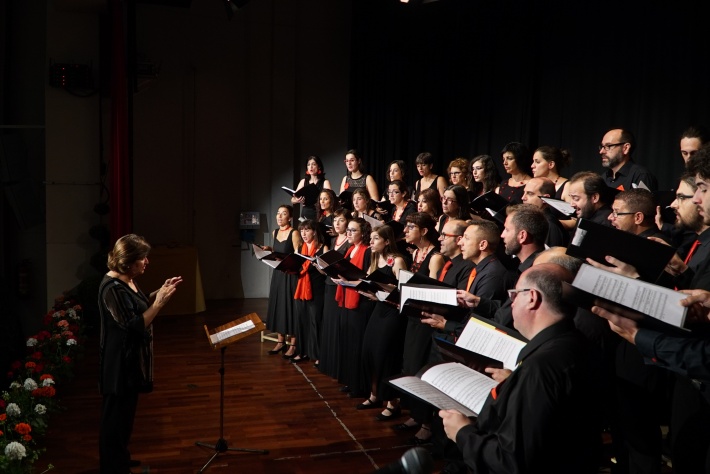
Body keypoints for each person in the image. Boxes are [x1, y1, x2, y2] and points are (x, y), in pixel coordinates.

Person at [440, 264, 600, 474]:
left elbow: (512, 461)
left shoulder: (539, 367)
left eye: (514, 294)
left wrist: (462, 432)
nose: (511, 303)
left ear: (532, 298)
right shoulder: (577, 344)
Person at [99, 234, 182, 474]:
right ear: (128, 262)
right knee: (114, 420)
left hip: (130, 361)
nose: (147, 262)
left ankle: (121, 458)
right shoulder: (112, 288)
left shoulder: (127, 281)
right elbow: (134, 324)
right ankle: (113, 467)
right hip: (119, 364)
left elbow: (138, 304)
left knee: (125, 419)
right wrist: (159, 304)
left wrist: (160, 292)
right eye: (142, 259)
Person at [396, 212, 445, 444]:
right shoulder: (415, 251)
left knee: (421, 366)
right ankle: (416, 415)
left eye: (411, 227)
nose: (405, 231)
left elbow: (434, 290)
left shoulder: (435, 256)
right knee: (409, 364)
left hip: (425, 318)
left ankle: (426, 423)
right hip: (412, 315)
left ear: (424, 231)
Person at [358, 225, 408, 419]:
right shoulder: (374, 257)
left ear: (387, 241)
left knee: (384, 356)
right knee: (368, 351)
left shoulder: (397, 260)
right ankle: (375, 393)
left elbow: (403, 292)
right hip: (378, 308)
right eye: (370, 238)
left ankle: (392, 402)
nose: (370, 242)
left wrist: (382, 291)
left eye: (375, 238)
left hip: (392, 313)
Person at [333, 217, 373, 398]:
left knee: (357, 345)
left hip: (360, 303)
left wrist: (347, 281)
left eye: (353, 230)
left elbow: (365, 279)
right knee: (348, 342)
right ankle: (351, 381)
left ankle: (360, 386)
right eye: (347, 230)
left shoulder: (366, 251)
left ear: (363, 233)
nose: (348, 233)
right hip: (346, 299)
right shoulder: (350, 248)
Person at [264, 205, 303, 359]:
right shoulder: (275, 232)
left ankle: (293, 344)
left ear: (290, 217)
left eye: (284, 214)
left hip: (290, 274)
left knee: (290, 307)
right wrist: (269, 249)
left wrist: (285, 260)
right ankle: (281, 341)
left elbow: (298, 256)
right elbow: (277, 249)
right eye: (278, 213)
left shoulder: (294, 233)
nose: (279, 217)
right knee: (279, 305)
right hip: (278, 273)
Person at [318, 208, 351, 378]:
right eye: (335, 220)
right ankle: (328, 364)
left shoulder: (349, 242)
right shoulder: (332, 240)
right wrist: (322, 267)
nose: (337, 224)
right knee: (329, 324)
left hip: (342, 287)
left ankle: (338, 366)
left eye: (341, 220)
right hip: (328, 285)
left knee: (338, 326)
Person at [291, 219, 328, 364]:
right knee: (301, 320)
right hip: (301, 287)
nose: (304, 233)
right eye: (302, 230)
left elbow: (326, 272)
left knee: (315, 321)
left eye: (307, 230)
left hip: (317, 288)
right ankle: (302, 351)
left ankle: (317, 355)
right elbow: (296, 267)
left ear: (314, 231)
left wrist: (318, 266)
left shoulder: (322, 248)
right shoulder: (300, 248)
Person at [599, 128, 658, 192]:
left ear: (625, 148)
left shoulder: (641, 175)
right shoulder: (604, 178)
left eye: (608, 146)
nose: (601, 151)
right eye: (602, 146)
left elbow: (643, 202)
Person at [521, 177, 569, 247]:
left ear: (545, 198)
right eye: (524, 192)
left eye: (530, 193)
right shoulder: (535, 220)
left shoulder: (550, 226)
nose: (523, 198)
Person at [291, 155, 331, 220]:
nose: (311, 167)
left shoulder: (325, 182)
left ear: (319, 166)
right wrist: (297, 200)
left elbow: (330, 200)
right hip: (306, 212)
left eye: (313, 164)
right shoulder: (303, 181)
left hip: (319, 214)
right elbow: (292, 200)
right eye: (308, 165)